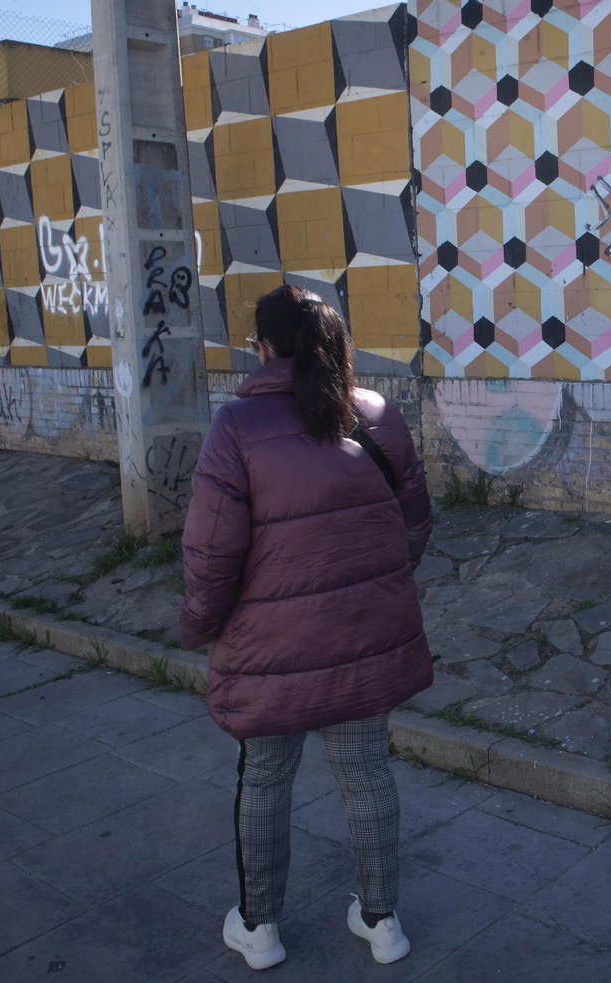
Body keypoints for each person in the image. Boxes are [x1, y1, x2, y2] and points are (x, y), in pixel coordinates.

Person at [180, 284, 434, 970]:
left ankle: (259, 928)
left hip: (271, 650)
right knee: (367, 774)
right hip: (359, 639)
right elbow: (413, 526)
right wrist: (368, 588)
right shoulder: (377, 416)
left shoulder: (236, 428)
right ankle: (383, 923)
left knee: (264, 778)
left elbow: (210, 556)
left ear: (263, 349)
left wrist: (199, 624)